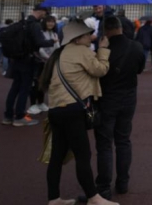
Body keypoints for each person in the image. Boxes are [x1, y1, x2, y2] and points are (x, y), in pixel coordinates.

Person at [42, 20, 116, 205]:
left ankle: (54, 198)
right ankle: (93, 197)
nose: (90, 37)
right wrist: (104, 50)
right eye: (86, 35)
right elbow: (100, 70)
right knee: (83, 156)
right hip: (73, 110)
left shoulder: (60, 54)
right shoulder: (80, 51)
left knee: (57, 157)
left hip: (56, 109)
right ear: (76, 39)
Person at [95, 16, 146, 200]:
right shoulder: (136, 46)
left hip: (107, 98)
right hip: (128, 98)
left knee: (105, 145)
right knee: (123, 141)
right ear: (120, 28)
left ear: (106, 31)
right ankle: (123, 182)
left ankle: (103, 187)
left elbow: (97, 72)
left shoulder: (103, 49)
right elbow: (139, 69)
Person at [3, 5, 57, 127]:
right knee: (24, 88)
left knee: (14, 88)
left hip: (16, 59)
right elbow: (39, 42)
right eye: (45, 12)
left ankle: (8, 116)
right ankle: (20, 117)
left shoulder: (23, 22)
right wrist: (51, 42)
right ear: (41, 11)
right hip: (27, 60)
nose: (45, 15)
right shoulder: (35, 25)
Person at [29, 16, 60, 115]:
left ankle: (41, 102)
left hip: (49, 61)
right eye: (49, 22)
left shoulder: (54, 33)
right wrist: (48, 58)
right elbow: (41, 48)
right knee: (36, 82)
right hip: (40, 61)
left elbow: (57, 46)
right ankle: (33, 104)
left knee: (44, 82)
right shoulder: (41, 33)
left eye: (52, 22)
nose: (51, 24)